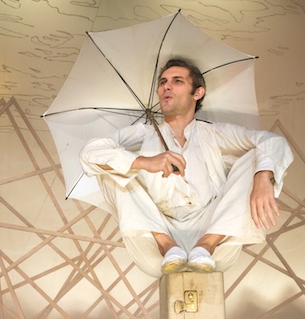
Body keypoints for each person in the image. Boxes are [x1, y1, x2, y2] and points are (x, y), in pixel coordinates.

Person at [79, 58, 294, 278]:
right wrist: (144, 162)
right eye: (163, 82)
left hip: (215, 232)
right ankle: (168, 245)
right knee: (110, 169)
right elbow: (89, 152)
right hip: (156, 234)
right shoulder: (144, 133)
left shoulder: (215, 133)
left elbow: (273, 142)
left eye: (177, 81)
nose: (166, 86)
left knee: (258, 159)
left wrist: (263, 177)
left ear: (198, 93)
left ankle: (206, 245)